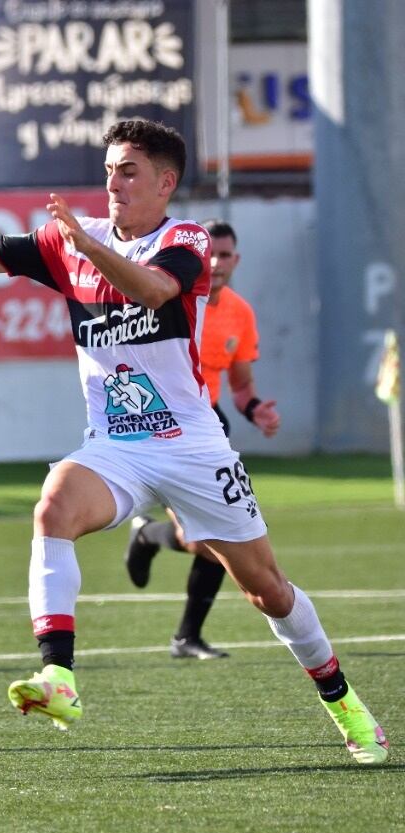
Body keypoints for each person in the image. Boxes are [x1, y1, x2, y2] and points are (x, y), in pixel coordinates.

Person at [0, 119, 388, 764]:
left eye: (128, 172)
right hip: (116, 446)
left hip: (193, 446)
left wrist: (80, 247)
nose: (113, 184)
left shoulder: (185, 240)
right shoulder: (77, 239)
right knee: (53, 508)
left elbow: (152, 290)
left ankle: (346, 704)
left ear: (165, 182)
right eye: (109, 170)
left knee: (268, 590)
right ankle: (58, 678)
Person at [124, 219, 282, 660]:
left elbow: (242, 386)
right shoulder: (166, 296)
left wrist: (257, 410)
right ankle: (150, 535)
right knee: (203, 538)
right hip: (156, 423)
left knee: (221, 535)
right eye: (210, 253)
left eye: (226, 254)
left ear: (236, 260)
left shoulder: (240, 314)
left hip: (208, 425)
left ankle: (186, 637)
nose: (216, 262)